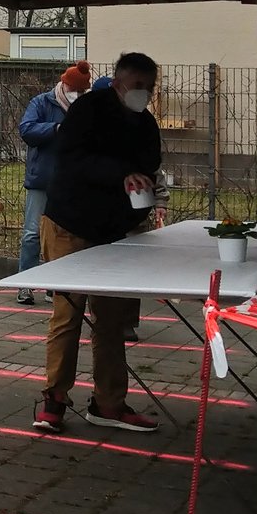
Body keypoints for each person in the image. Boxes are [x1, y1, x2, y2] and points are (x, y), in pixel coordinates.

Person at [33, 52, 163, 434]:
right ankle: (54, 399)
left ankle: (109, 403)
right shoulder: (88, 110)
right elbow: (73, 161)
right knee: (68, 313)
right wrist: (122, 174)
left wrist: (141, 192)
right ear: (120, 82)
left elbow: (149, 164)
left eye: (149, 87)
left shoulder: (145, 124)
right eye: (137, 86)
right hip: (68, 223)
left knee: (111, 320)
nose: (143, 93)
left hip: (112, 231)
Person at [13, 63, 91, 304]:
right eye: (74, 89)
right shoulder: (43, 102)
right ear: (64, 84)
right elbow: (27, 130)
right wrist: (56, 128)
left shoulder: (86, 108)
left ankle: (55, 284)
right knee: (32, 234)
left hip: (71, 183)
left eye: (81, 91)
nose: (76, 95)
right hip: (43, 179)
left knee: (63, 235)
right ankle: (25, 284)